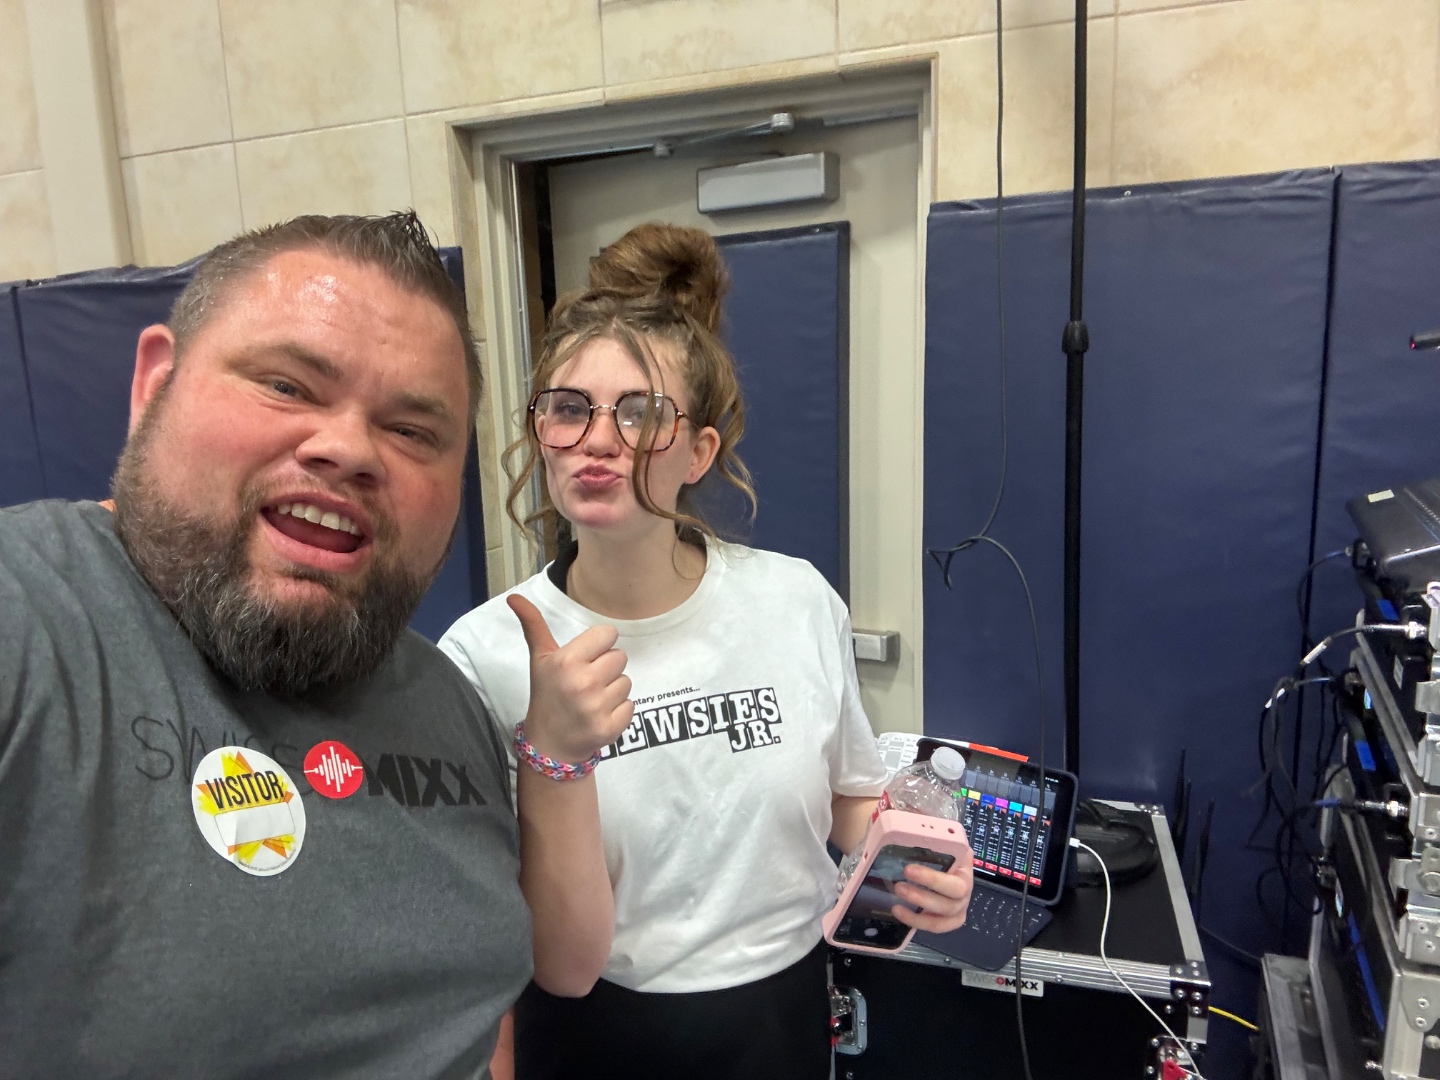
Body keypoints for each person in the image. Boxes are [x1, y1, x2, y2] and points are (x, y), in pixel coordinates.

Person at [0, 212, 597, 1078]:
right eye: (287, 385)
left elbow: (477, 996)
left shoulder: (444, 699)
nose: (349, 448)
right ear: (154, 386)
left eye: (413, 432)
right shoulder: (32, 623)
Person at [440, 223, 976, 1079]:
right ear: (541, 434)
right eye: (569, 408)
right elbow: (540, 960)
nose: (599, 438)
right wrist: (556, 755)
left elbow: (848, 799)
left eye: (641, 413)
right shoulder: (486, 653)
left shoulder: (793, 601)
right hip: (594, 1034)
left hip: (780, 1019)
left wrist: (913, 857)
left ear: (699, 452)